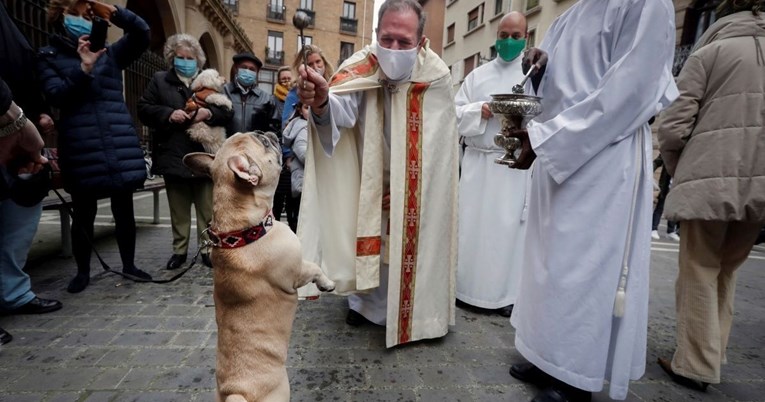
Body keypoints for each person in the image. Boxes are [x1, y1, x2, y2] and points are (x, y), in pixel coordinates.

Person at [504, 1, 679, 401]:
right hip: (558, 149)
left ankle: (573, 374)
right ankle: (546, 354)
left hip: (600, 151)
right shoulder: (572, 11)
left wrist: (551, 137)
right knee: (547, 263)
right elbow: (568, 81)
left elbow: (632, 88)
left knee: (583, 267)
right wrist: (541, 68)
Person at [296, 0, 459, 348]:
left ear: (421, 39)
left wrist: (405, 188)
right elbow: (338, 117)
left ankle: (420, 316)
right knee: (370, 241)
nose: (394, 49)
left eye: (404, 41)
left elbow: (441, 150)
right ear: (375, 35)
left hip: (415, 187)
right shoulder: (360, 66)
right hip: (368, 180)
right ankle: (363, 303)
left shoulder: (436, 75)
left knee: (409, 247)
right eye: (387, 39)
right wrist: (323, 101)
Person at [656, 0, 765, 391]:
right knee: (728, 269)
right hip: (760, 188)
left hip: (709, 178)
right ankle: (713, 353)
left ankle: (696, 364)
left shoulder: (709, 53)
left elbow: (672, 125)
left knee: (700, 267)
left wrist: (676, 168)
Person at [38, 0, 153, 293]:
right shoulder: (48, 55)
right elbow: (56, 96)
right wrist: (83, 69)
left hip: (117, 139)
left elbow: (142, 34)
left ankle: (129, 265)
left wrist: (115, 12)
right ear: (59, 19)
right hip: (80, 142)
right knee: (84, 212)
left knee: (124, 208)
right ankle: (82, 272)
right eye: (74, 14)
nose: (82, 20)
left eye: (87, 15)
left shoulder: (110, 54)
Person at [453, 11, 530, 319]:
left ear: (525, 37)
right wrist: (479, 110)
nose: (508, 41)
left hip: (512, 168)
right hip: (478, 161)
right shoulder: (477, 76)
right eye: (502, 35)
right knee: (471, 228)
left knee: (506, 231)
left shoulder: (531, 74)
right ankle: (464, 289)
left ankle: (503, 296)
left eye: (515, 36)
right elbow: (454, 112)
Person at [138, 34, 232, 270]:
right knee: (178, 209)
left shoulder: (208, 82)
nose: (185, 61)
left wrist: (208, 114)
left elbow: (227, 113)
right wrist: (168, 114)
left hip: (204, 155)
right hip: (173, 153)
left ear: (198, 61)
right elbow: (144, 108)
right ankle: (179, 250)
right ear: (172, 58)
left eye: (190, 58)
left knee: (207, 209)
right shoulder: (160, 80)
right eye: (180, 57)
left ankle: (208, 249)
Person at [0, 2, 62, 344]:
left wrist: (36, 114)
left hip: (18, 132)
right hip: (7, 123)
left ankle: (14, 292)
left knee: (19, 220)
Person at [223, 52, 279, 135]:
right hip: (227, 146)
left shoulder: (266, 99)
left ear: (256, 73)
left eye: (252, 69)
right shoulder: (223, 92)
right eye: (244, 67)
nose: (247, 71)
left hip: (255, 147)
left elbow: (274, 130)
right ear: (236, 68)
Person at [281, 44, 334, 128]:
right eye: (310, 64)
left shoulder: (333, 85)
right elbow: (286, 125)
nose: (315, 67)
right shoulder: (296, 92)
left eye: (318, 61)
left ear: (324, 62)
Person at [282, 102, 309, 213]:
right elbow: (304, 156)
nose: (311, 111)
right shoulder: (302, 128)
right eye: (307, 107)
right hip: (304, 184)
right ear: (300, 110)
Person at [651, 155, 679, 241]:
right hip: (666, 184)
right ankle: (653, 228)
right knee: (660, 206)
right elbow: (657, 162)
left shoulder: (685, 154)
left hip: (677, 185)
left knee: (674, 209)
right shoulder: (669, 150)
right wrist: (649, 171)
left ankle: (670, 231)